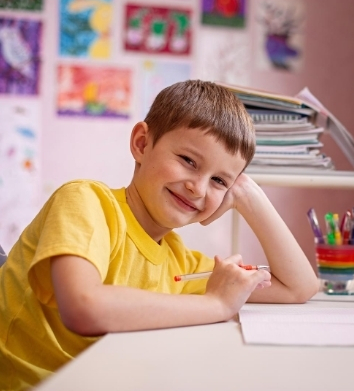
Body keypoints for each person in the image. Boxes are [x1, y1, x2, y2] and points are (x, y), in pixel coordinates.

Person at [0, 80, 319, 390]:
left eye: (220, 181)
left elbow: (298, 288)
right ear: (141, 144)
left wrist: (250, 196)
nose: (198, 187)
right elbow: (85, 307)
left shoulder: (180, 263)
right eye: (188, 161)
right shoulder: (86, 202)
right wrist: (217, 304)